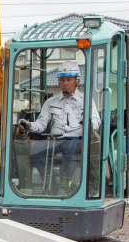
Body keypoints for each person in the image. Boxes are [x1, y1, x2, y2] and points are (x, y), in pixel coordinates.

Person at [18, 63, 100, 192]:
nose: (65, 83)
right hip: (55, 140)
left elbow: (96, 122)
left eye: (69, 79)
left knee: (70, 146)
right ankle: (50, 183)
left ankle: (64, 184)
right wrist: (29, 125)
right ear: (59, 82)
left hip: (77, 140)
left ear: (77, 81)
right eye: (62, 80)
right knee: (37, 148)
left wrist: (89, 123)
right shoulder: (51, 102)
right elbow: (41, 124)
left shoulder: (86, 100)